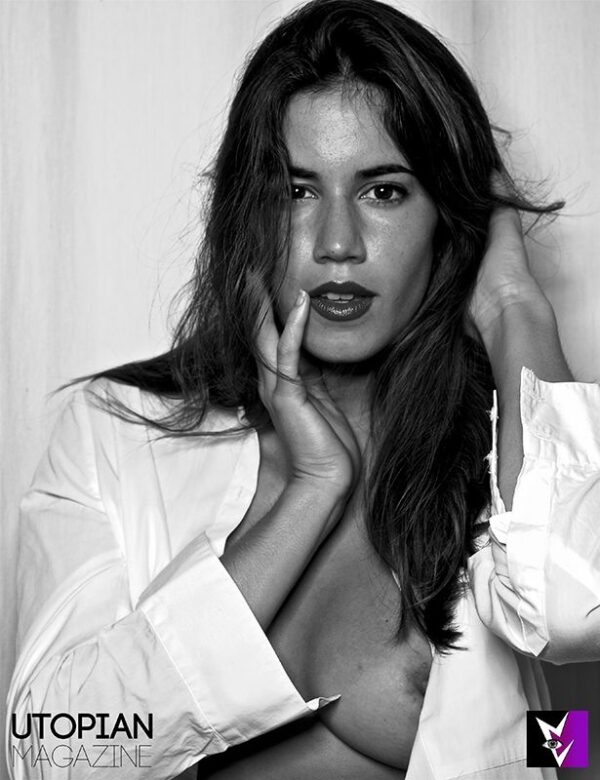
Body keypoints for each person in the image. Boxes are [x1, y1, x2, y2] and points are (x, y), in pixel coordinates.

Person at [7, 0, 600, 778]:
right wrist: (313, 490)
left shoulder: (507, 462)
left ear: (450, 215)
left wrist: (514, 308)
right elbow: (51, 754)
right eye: (298, 191)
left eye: (384, 191)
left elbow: (577, 623)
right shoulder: (118, 437)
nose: (337, 244)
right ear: (247, 212)